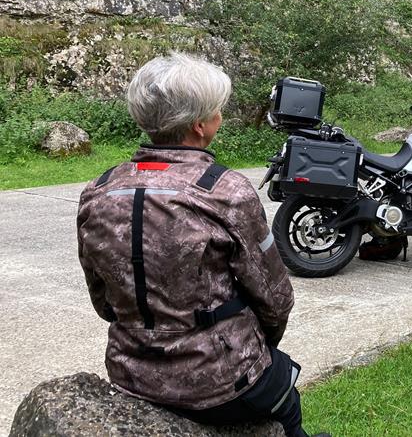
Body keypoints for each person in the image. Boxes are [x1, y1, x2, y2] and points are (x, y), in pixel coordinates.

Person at [76, 53, 324, 437]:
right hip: (220, 382)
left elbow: (103, 301)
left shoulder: (97, 190)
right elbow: (276, 299)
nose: (220, 118)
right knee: (287, 402)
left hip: (129, 370)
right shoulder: (225, 191)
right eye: (218, 111)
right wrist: (260, 345)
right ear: (200, 126)